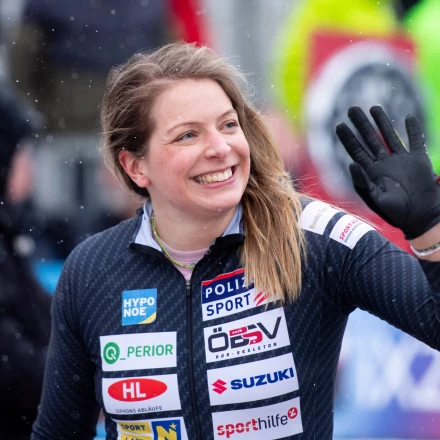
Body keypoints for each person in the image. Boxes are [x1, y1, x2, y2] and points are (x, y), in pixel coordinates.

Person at [31, 42, 440, 440]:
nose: (220, 147)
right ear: (136, 166)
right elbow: (58, 431)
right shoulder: (92, 270)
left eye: (228, 125)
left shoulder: (315, 237)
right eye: (187, 135)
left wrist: (429, 227)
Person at [0, 81, 52, 440]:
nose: (30, 169)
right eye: (23, 154)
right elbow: (14, 367)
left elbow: (50, 314)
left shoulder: (11, 231)